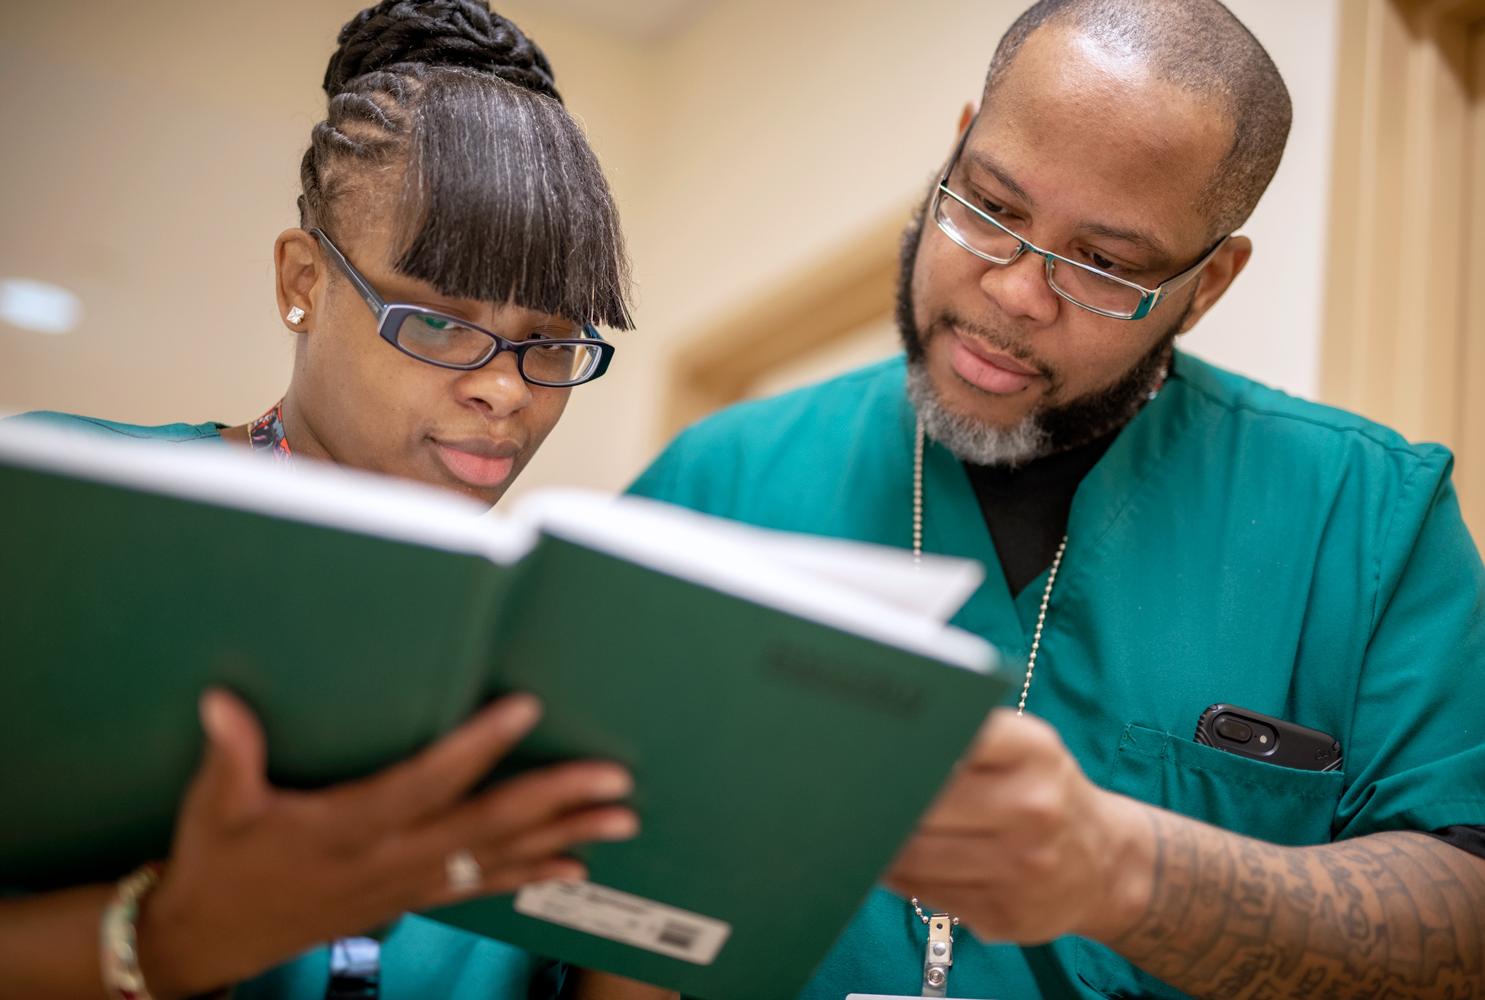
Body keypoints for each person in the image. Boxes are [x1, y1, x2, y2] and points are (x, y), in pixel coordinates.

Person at [630, 1, 1485, 999]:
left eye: (1104, 265)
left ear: (1207, 285)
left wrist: (1123, 871)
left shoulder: (1367, 514)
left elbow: (1464, 915)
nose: (1016, 291)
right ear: (955, 148)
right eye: (990, 207)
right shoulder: (721, 480)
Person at [0, 3, 673, 999]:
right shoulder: (60, 506)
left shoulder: (575, 654)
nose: (507, 389)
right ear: (302, 281)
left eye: (553, 342)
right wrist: (175, 939)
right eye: (438, 322)